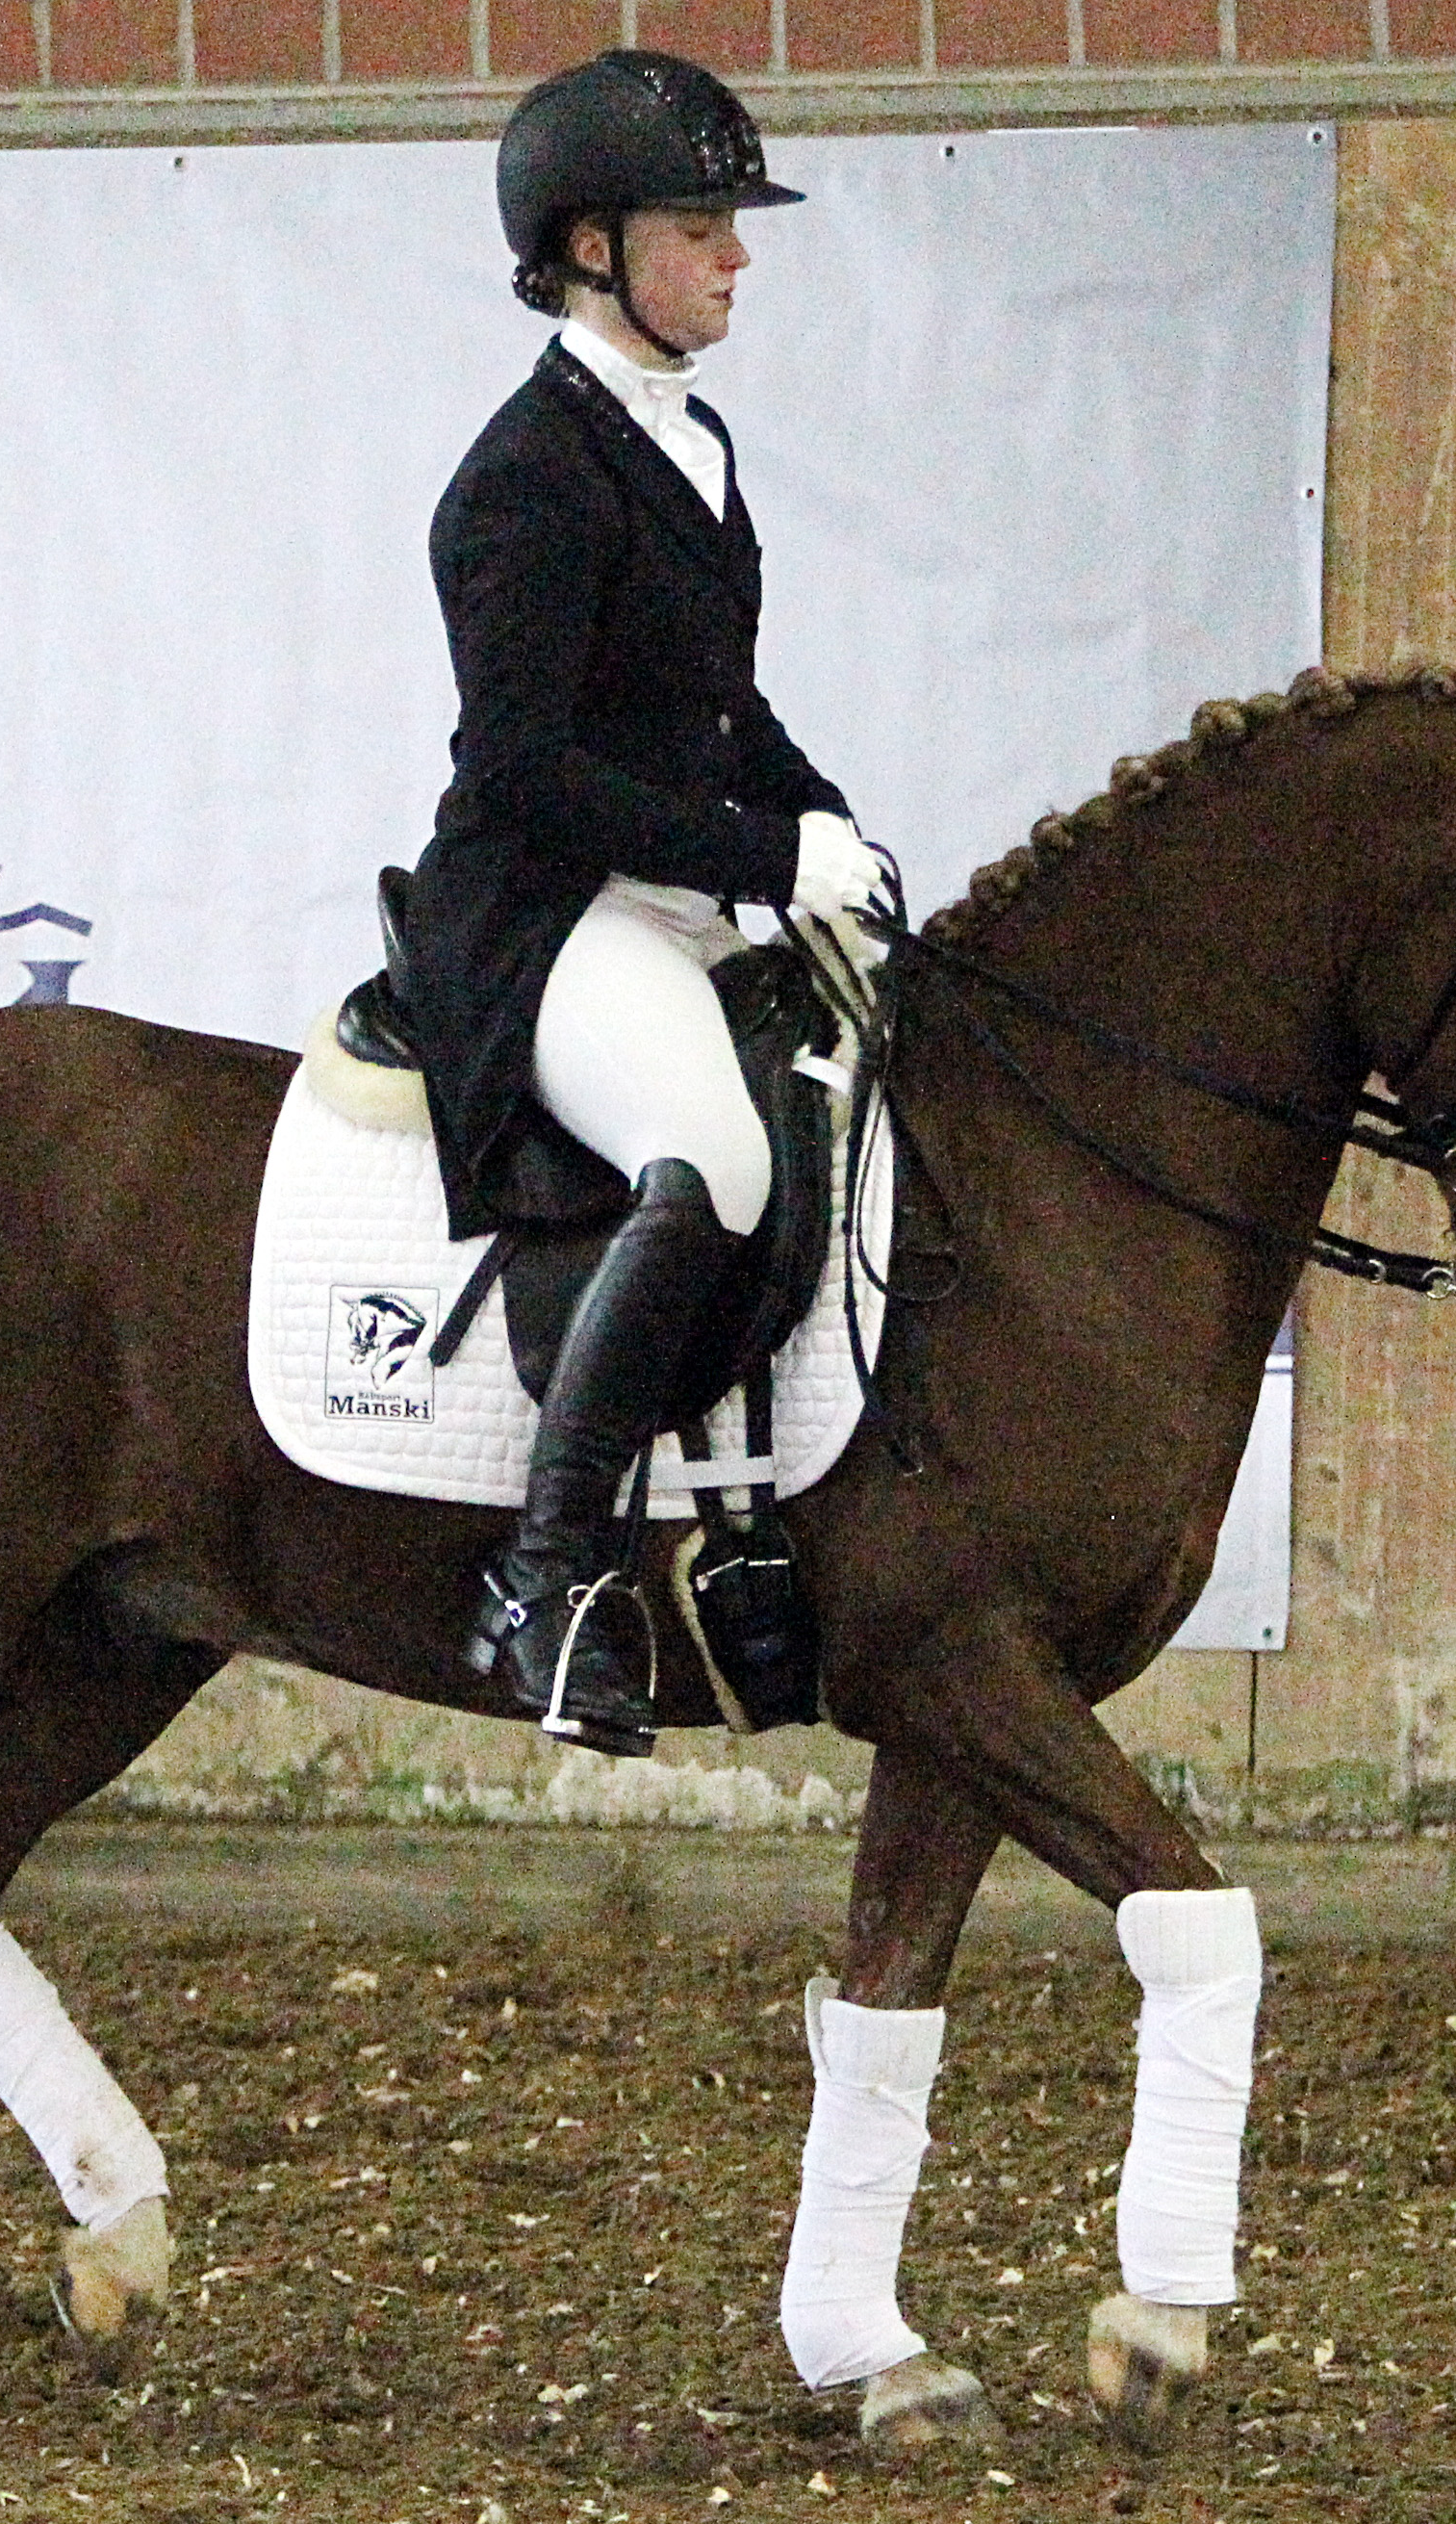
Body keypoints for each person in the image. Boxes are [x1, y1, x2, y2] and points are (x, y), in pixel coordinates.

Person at [397, 49, 883, 1762]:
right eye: (702, 229)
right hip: (542, 914)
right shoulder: (522, 479)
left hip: (673, 891)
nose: (737, 258)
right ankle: (551, 1576)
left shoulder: (694, 439)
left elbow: (719, 709)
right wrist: (762, 861)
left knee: (847, 1100)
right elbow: (523, 768)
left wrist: (822, 830)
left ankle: (749, 1517)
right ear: (592, 249)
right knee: (720, 1156)